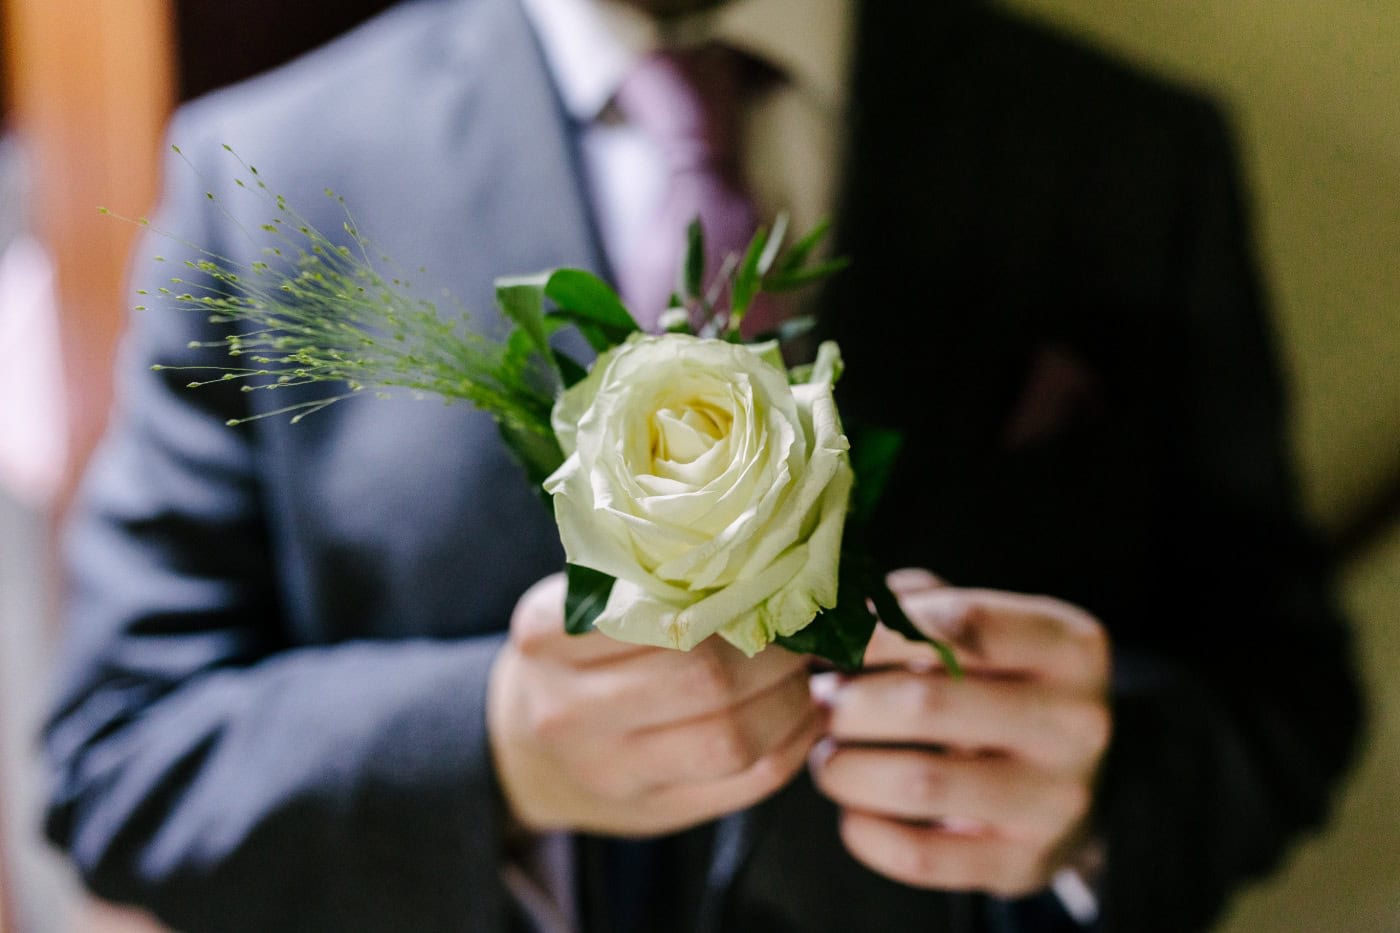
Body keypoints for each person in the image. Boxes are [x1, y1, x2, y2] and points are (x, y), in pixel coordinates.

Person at [42, 0, 1361, 931]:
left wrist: (1097, 791)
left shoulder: (1126, 151)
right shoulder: (263, 176)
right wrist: (494, 749)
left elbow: (1288, 692)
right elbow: (116, 760)